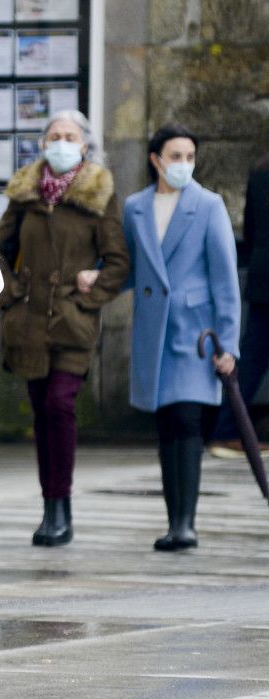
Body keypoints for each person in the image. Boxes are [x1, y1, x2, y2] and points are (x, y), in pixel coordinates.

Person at [0, 110, 129, 547]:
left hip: (72, 323)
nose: (61, 142)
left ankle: (62, 504)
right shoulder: (26, 191)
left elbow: (119, 261)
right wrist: (11, 294)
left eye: (70, 136)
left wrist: (87, 297)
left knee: (60, 404)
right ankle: (49, 506)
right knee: (41, 412)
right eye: (54, 135)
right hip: (29, 322)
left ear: (85, 146)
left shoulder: (99, 193)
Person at [125, 124, 240, 551]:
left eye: (190, 156)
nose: (184, 165)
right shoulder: (135, 206)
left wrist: (229, 345)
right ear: (156, 159)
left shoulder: (208, 205)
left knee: (188, 422)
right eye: (176, 156)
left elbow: (226, 279)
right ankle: (173, 522)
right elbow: (129, 267)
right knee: (167, 425)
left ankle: (187, 524)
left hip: (197, 335)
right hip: (154, 333)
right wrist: (96, 277)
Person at [210, 154, 269, 456]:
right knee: (254, 358)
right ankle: (227, 430)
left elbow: (250, 229)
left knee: (253, 358)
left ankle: (227, 429)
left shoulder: (259, 171)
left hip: (262, 276)